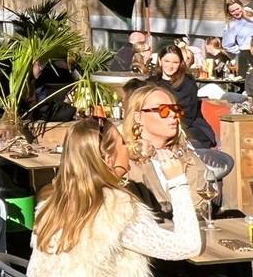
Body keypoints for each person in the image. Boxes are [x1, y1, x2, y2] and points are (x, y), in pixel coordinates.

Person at [27, 117, 201, 277]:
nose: (129, 147)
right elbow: (188, 246)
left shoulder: (53, 206)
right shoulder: (115, 211)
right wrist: (177, 181)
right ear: (109, 159)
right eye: (123, 143)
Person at [120, 82, 207, 229]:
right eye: (163, 110)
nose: (173, 114)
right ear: (138, 117)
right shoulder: (126, 163)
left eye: (175, 109)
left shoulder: (188, 158)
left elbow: (200, 208)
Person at [147, 45, 216, 148]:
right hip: (157, 126)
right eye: (167, 61)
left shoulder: (187, 82)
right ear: (160, 61)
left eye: (175, 62)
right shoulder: (151, 83)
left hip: (187, 127)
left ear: (180, 64)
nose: (170, 66)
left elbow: (188, 114)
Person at [221, 0, 253, 76]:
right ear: (228, 12)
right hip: (247, 53)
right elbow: (227, 45)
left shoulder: (252, 15)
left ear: (241, 6)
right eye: (232, 11)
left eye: (237, 9)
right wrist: (241, 52)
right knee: (249, 79)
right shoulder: (231, 25)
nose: (236, 12)